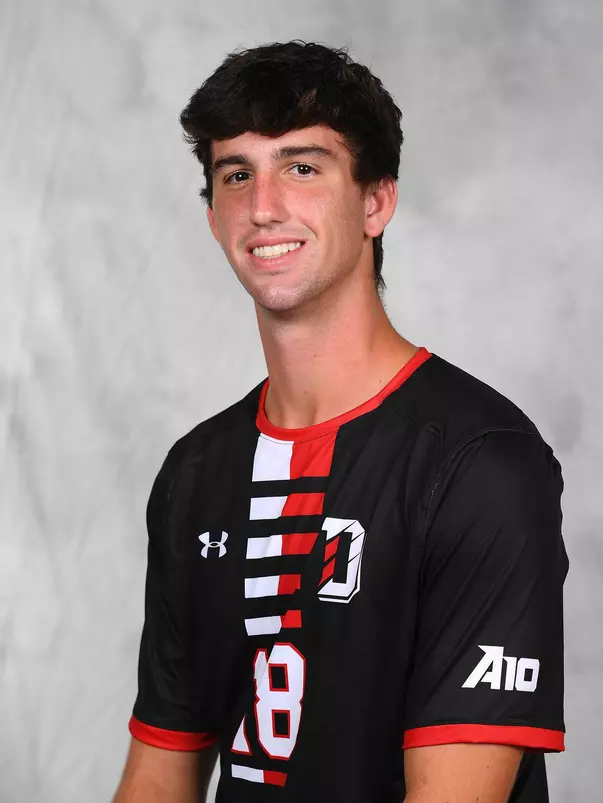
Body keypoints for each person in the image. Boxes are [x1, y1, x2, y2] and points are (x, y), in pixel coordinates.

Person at [112, 40, 567, 803]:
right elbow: (159, 774)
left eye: (301, 167)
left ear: (375, 200)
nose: (263, 206)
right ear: (213, 214)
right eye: (236, 174)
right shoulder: (195, 472)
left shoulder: (482, 463)